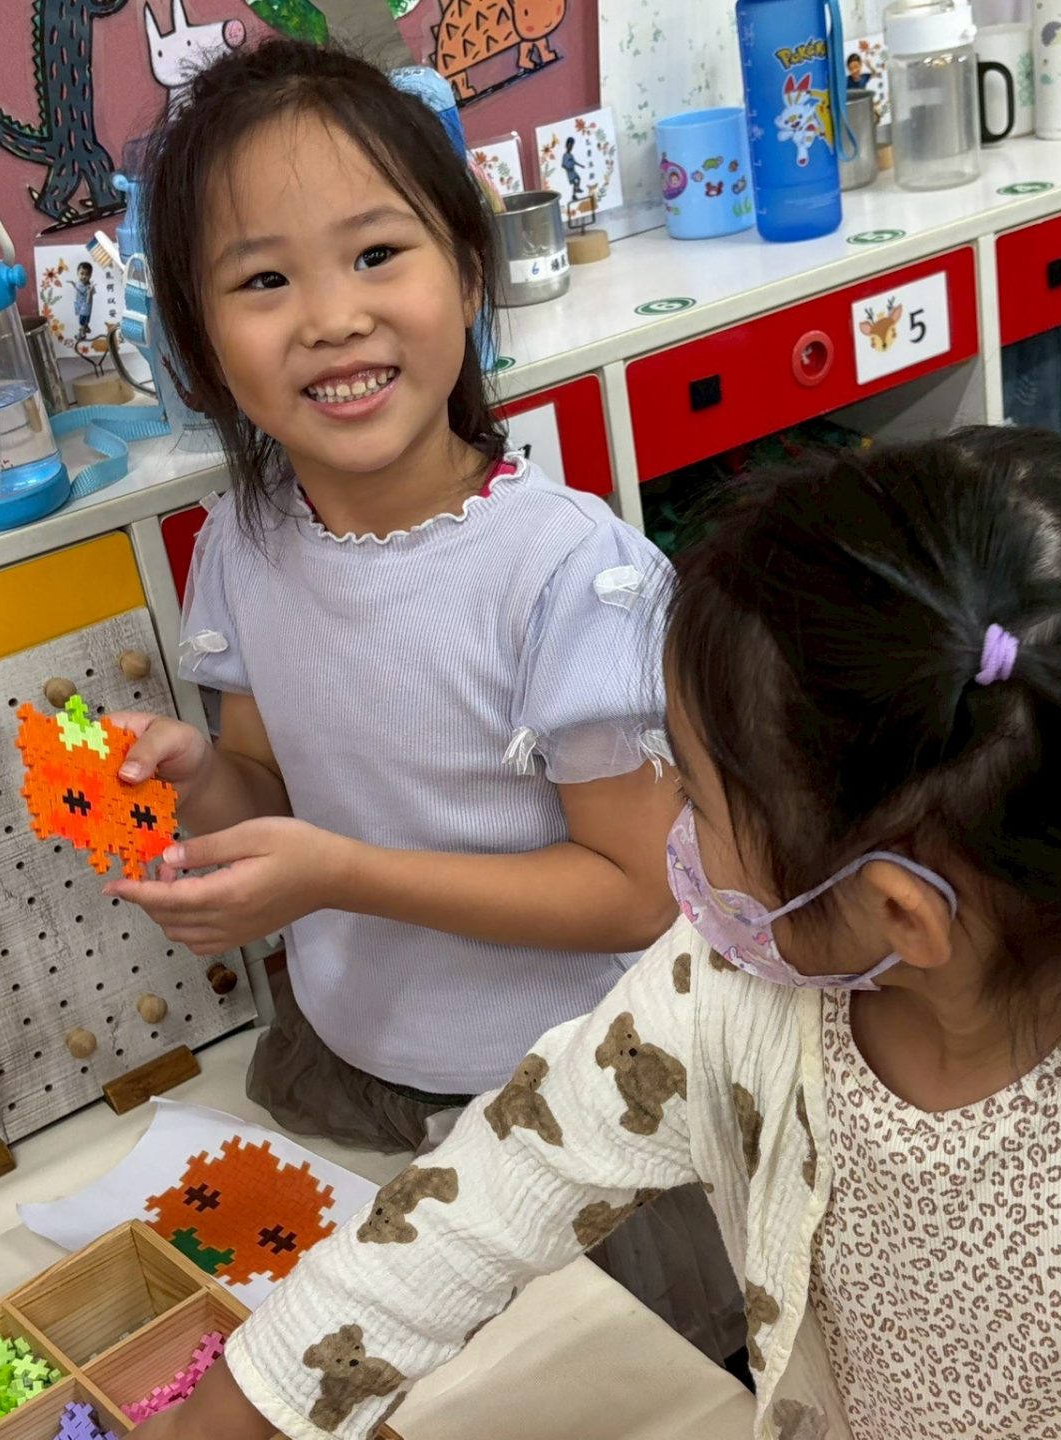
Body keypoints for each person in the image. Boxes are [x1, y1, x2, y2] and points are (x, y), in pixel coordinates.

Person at [138, 431, 1061, 1440]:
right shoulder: (724, 993)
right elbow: (477, 1205)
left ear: (898, 914)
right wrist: (240, 1405)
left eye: (698, 800)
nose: (671, 830)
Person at [104, 39, 747, 1363]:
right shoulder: (244, 541)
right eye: (264, 280)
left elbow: (636, 893)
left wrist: (335, 874)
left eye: (376, 254)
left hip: (568, 1105)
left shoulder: (568, 571)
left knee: (604, 1387)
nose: (331, 317)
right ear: (200, 344)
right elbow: (268, 786)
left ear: (465, 270)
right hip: (352, 1058)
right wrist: (197, 782)